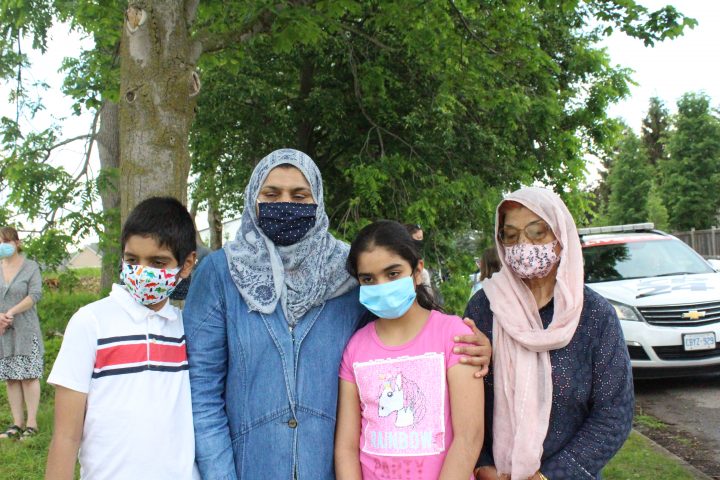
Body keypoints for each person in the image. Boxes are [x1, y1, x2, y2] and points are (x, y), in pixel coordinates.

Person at [183, 148, 491, 480]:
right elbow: (202, 391)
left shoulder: (348, 270)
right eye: (271, 194)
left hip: (328, 469)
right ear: (252, 198)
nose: (286, 204)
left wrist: (477, 345)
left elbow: (399, 335)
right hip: (249, 466)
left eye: (300, 195)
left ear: (318, 200)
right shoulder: (221, 273)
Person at [465, 187, 634, 480]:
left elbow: (613, 413)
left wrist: (549, 476)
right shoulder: (484, 308)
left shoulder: (594, 315)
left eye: (537, 232)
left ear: (560, 237)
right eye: (512, 235)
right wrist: (482, 466)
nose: (523, 244)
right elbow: (462, 401)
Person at [45, 197, 199, 479]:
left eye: (157, 261)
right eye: (132, 260)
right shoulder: (90, 323)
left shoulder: (187, 328)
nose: (142, 271)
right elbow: (66, 437)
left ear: (187, 264)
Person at [335, 220, 483, 479]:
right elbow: (346, 447)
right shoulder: (355, 348)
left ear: (417, 271)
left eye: (392, 274)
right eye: (368, 279)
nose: (381, 286)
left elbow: (469, 437)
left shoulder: (453, 335)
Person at [0, 226, 43, 440]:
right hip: (4, 331)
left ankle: (32, 424)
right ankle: (16, 424)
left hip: (26, 328)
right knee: (11, 378)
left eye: (6, 242)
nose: (3, 246)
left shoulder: (30, 266)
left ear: (16, 243)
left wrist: (11, 311)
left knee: (28, 376)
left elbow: (35, 294)